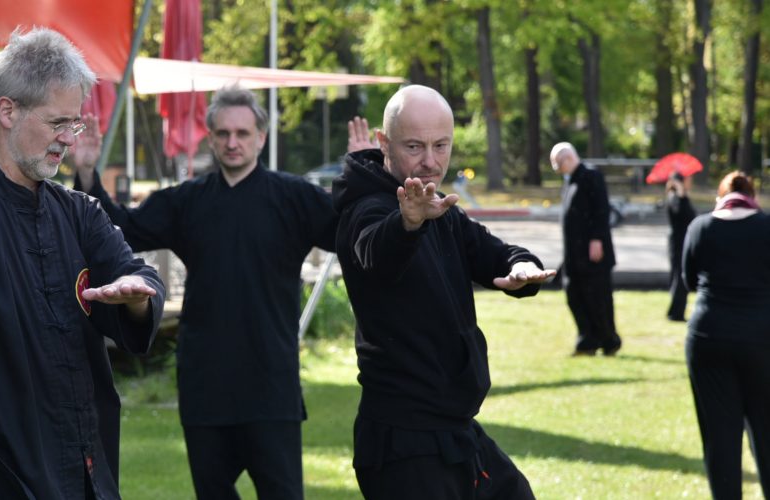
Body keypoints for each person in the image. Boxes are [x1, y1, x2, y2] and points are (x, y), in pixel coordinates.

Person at [0, 28, 165, 499]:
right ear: (8, 111)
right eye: (57, 122)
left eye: (75, 123)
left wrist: (136, 297)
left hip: (81, 459)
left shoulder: (80, 212)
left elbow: (138, 275)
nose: (68, 138)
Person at [71, 85, 337, 499]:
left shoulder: (295, 198)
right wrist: (87, 173)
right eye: (223, 133)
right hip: (205, 385)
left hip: (271, 385)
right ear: (210, 137)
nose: (233, 142)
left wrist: (363, 172)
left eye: (243, 133)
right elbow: (119, 227)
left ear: (261, 138)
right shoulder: (188, 202)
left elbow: (355, 234)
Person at [335, 85, 555, 499]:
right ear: (384, 142)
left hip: (454, 428)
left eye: (441, 145)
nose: (431, 161)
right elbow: (376, 255)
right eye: (415, 146)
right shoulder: (366, 208)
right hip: (402, 441)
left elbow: (492, 251)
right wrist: (408, 223)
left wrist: (520, 266)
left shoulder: (438, 207)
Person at [682, 171, 770, 499]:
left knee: (720, 436)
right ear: (753, 197)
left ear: (720, 197)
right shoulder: (766, 226)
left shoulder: (700, 227)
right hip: (762, 336)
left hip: (709, 336)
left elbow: (689, 280)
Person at [550, 142, 622, 356]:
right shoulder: (570, 179)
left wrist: (597, 239)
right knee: (575, 295)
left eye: (557, 164)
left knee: (598, 298)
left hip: (592, 252)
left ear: (568, 158)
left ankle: (609, 340)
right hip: (574, 254)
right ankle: (587, 340)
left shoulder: (591, 176)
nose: (556, 169)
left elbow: (601, 209)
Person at [664, 171, 696, 321]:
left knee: (679, 275)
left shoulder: (682, 198)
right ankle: (676, 312)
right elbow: (680, 213)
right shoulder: (675, 197)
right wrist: (680, 190)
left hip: (682, 240)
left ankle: (676, 311)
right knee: (679, 276)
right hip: (678, 241)